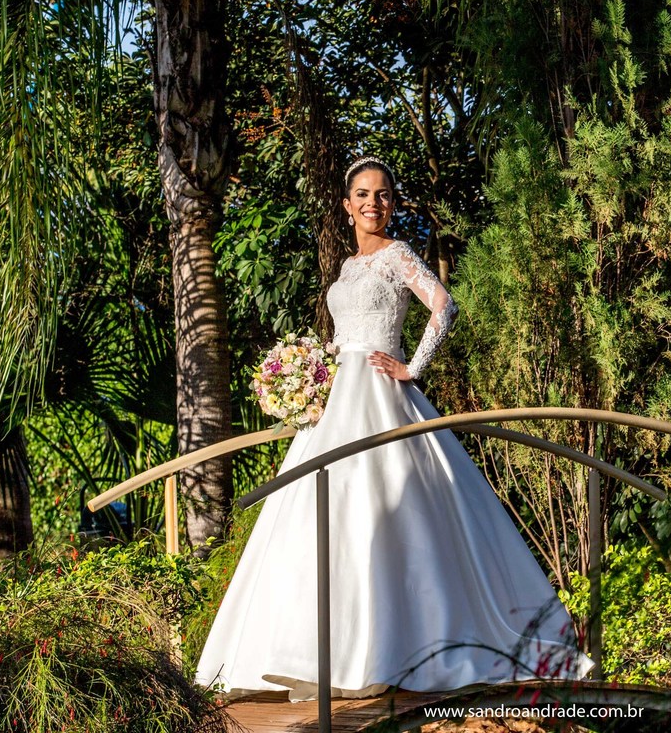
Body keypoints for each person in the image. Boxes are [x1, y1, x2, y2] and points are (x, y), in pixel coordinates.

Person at [194, 156, 594, 700]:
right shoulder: (346, 268)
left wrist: (413, 367)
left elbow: (443, 305)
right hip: (336, 402)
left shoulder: (397, 255)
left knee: (387, 508)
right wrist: (310, 378)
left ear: (393, 203)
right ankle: (309, 653)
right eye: (361, 195)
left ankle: (390, 648)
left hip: (383, 393)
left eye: (382, 195)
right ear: (346, 205)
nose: (372, 204)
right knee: (321, 514)